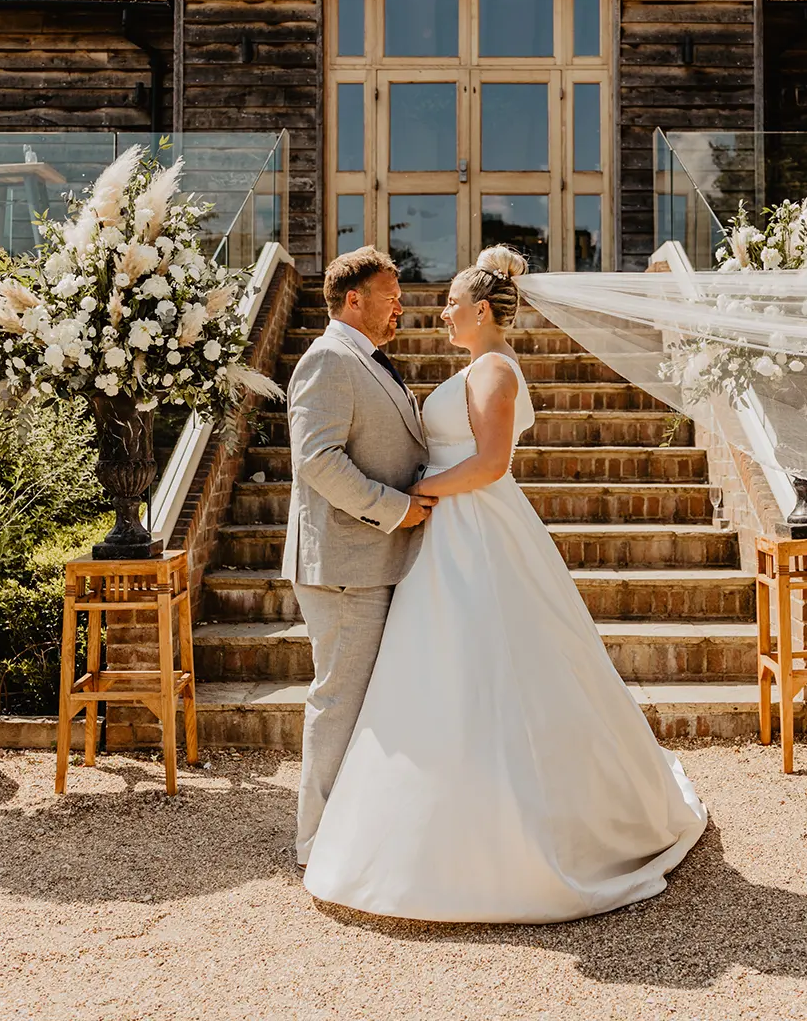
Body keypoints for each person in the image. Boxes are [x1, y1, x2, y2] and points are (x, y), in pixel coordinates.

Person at [301, 245, 708, 923]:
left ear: (482, 309)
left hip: (475, 529)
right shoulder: (470, 366)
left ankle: (512, 832)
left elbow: (490, 463)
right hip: (444, 535)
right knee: (445, 672)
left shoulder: (493, 368)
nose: (441, 313)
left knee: (492, 664)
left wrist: (419, 490)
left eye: (453, 304)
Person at [282, 246, 439, 869]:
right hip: (345, 565)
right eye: (391, 295)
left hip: (375, 560)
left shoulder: (366, 360)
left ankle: (358, 829)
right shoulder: (327, 359)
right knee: (339, 700)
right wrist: (394, 508)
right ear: (355, 300)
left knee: (364, 700)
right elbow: (317, 461)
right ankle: (316, 842)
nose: (400, 305)